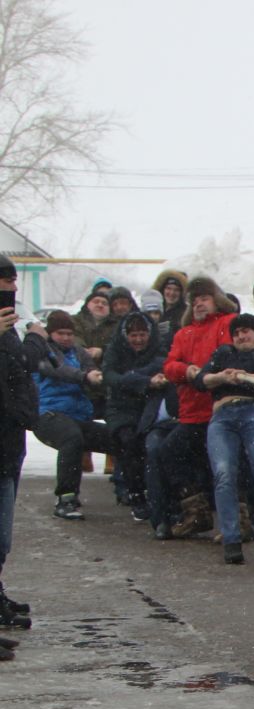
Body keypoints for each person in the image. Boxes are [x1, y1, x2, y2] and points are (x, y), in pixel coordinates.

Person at [195, 314, 254, 565]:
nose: (241, 336)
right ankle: (232, 540)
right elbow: (201, 380)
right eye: (236, 333)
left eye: (246, 331)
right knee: (224, 473)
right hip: (223, 415)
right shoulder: (223, 353)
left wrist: (247, 375)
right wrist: (223, 377)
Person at [24, 311, 115, 519]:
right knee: (71, 439)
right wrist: (85, 376)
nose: (65, 338)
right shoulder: (41, 353)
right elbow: (59, 371)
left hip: (78, 417)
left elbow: (93, 372)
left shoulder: (79, 353)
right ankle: (66, 498)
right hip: (48, 415)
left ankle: (135, 493)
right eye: (60, 333)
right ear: (49, 334)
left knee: (120, 437)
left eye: (69, 333)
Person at [100, 310, 170, 520]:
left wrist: (129, 378)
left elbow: (159, 364)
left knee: (147, 446)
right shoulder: (114, 350)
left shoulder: (159, 347)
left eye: (142, 335)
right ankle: (135, 494)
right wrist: (144, 381)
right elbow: (110, 377)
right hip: (120, 408)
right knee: (127, 442)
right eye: (133, 336)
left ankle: (148, 491)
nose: (138, 340)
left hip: (148, 406)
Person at [1, 255, 36, 629]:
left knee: (3, 534)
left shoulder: (11, 328)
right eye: (4, 280)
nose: (11, 286)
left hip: (9, 436)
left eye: (12, 279)